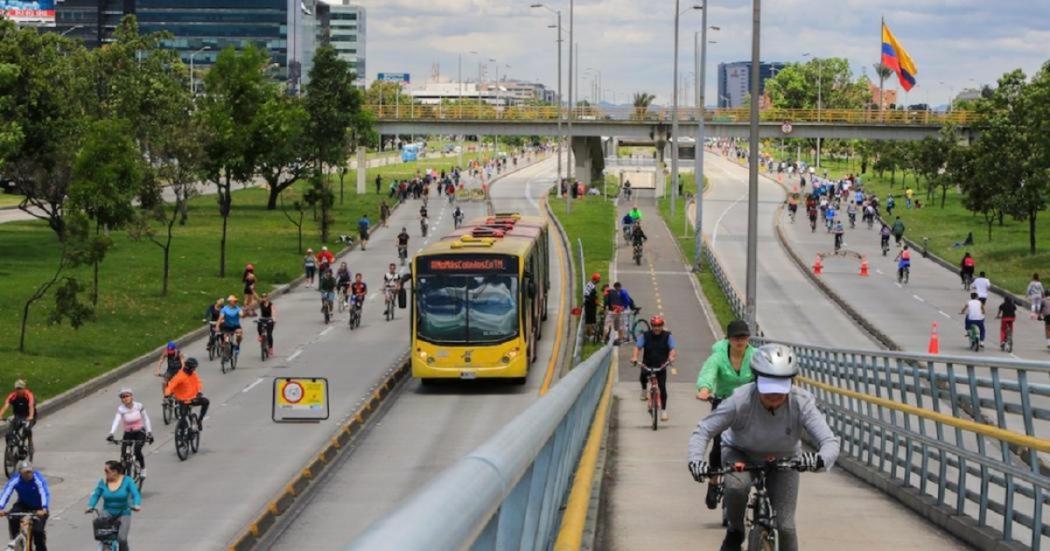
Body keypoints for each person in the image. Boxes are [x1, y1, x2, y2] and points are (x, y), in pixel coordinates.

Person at [688, 344, 840, 551]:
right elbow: (704, 429)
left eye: (780, 390)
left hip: (786, 459)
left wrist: (819, 460)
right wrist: (696, 461)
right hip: (741, 452)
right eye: (768, 389)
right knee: (737, 486)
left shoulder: (801, 403)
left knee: (786, 526)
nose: (774, 396)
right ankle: (735, 531)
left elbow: (829, 441)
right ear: (756, 380)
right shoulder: (739, 400)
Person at [695, 320, 756, 510]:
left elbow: (767, 373)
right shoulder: (719, 356)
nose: (740, 341)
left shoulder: (755, 356)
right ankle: (713, 482)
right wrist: (704, 389)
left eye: (744, 337)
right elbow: (708, 373)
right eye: (736, 337)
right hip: (723, 402)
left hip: (748, 405)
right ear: (728, 339)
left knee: (756, 442)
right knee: (719, 444)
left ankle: (759, 483)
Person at [85, 460, 141, 551]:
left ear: (115, 472)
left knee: (122, 539)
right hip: (107, 512)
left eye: (107, 471)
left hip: (124, 512)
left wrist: (137, 504)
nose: (105, 473)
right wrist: (90, 505)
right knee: (105, 538)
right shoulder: (103, 482)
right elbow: (96, 494)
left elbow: (136, 494)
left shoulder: (127, 481)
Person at [630, 316, 677, 421]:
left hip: (661, 366)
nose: (657, 328)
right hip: (648, 364)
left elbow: (672, 349)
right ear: (651, 326)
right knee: (643, 377)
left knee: (662, 388)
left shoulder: (667, 336)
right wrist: (634, 357)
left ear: (662, 326)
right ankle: (644, 390)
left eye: (659, 326)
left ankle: (664, 411)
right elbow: (637, 347)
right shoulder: (646, 336)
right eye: (655, 326)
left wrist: (671, 357)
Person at [0, 460, 49, 550]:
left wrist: (44, 508)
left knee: (38, 532)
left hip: (39, 508)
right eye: (25, 472)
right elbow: (6, 492)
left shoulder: (37, 479)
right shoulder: (16, 479)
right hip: (24, 504)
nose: (28, 474)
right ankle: (15, 540)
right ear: (20, 473)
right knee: (12, 516)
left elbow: (44, 493)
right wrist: (0, 507)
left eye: (30, 472)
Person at [107, 389, 153, 478]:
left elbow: (146, 419)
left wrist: (149, 432)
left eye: (127, 396)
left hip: (140, 432)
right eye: (122, 397)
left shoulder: (139, 406)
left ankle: (143, 468)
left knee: (137, 450)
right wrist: (111, 433)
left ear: (132, 396)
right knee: (123, 455)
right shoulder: (121, 409)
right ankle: (123, 477)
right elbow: (116, 421)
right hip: (128, 433)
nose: (125, 398)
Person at [164, 358, 209, 430]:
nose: (195, 369)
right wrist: (167, 395)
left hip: (193, 398)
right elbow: (171, 385)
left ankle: (199, 420)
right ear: (189, 368)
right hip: (183, 401)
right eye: (194, 368)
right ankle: (183, 433)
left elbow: (198, 382)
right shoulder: (180, 376)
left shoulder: (193, 374)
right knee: (183, 418)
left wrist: (199, 392)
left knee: (206, 402)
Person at [0, 381, 36, 450]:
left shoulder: (29, 395)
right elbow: (6, 406)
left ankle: (30, 442)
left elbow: (31, 405)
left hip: (29, 416)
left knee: (26, 429)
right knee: (8, 434)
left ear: (24, 388)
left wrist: (31, 416)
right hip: (18, 416)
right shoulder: (12, 395)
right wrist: (0, 414)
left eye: (20, 388)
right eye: (17, 389)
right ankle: (10, 450)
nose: (19, 390)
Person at [583, 273, 601, 339]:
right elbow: (594, 298)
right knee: (590, 321)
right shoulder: (593, 288)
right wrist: (599, 304)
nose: (599, 281)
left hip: (587, 304)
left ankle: (588, 333)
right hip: (590, 305)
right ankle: (589, 335)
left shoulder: (589, 284)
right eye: (598, 280)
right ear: (596, 280)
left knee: (589, 320)